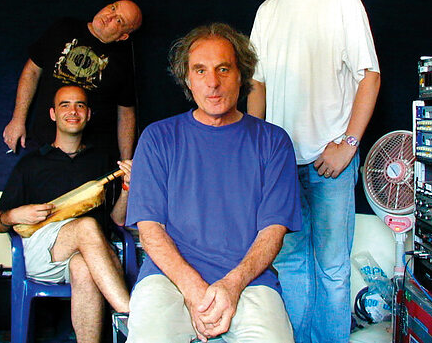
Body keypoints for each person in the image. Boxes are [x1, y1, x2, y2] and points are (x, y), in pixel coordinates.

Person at [247, 0, 381, 343]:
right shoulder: (268, 10)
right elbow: (257, 86)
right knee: (289, 265)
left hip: (331, 161)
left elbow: (370, 75)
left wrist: (349, 142)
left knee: (333, 267)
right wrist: (254, 151)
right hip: (281, 163)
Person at [125, 23, 302, 343]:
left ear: (241, 75)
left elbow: (273, 232)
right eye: (200, 70)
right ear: (188, 79)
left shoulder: (273, 142)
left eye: (223, 69)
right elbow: (150, 230)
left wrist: (231, 286)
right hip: (169, 278)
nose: (213, 83)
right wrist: (193, 290)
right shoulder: (157, 137)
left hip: (249, 281)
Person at [0, 85, 131, 343]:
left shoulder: (101, 160)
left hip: (92, 256)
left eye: (79, 105)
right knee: (86, 226)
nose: (73, 111)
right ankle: (130, 315)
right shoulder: (32, 163)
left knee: (83, 267)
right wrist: (15, 215)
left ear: (88, 114)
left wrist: (126, 189)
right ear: (53, 114)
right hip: (43, 255)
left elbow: (117, 221)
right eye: (64, 105)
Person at [3, 0, 143, 161]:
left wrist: (126, 162)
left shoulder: (122, 61)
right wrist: (18, 120)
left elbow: (126, 113)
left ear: (123, 36)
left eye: (119, 20)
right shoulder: (64, 28)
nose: (109, 16)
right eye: (112, 8)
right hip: (43, 142)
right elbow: (32, 71)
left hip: (88, 156)